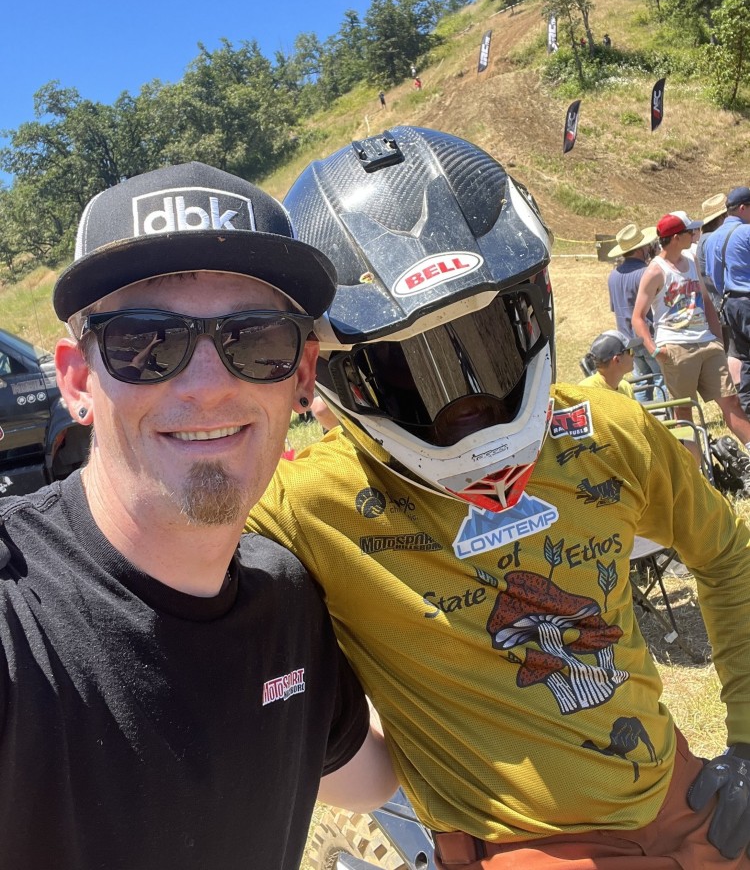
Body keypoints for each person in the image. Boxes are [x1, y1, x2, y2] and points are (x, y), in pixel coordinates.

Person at [248, 127, 750, 869]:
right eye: (409, 372)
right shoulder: (307, 503)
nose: (467, 407)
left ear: (535, 308)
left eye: (487, 347)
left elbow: (727, 555)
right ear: (331, 373)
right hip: (520, 843)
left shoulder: (606, 428)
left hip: (678, 790)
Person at [0, 162, 396, 869]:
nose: (209, 385)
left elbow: (368, 777)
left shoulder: (288, 603)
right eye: (144, 342)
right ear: (77, 381)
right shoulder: (16, 621)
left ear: (303, 376)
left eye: (257, 340)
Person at [632, 209, 750, 455]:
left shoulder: (691, 258)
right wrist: (655, 351)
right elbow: (638, 317)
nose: (695, 233)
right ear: (676, 237)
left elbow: (705, 300)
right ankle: (693, 467)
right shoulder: (655, 271)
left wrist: (717, 339)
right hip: (675, 347)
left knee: (731, 401)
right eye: (690, 231)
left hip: (707, 343)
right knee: (683, 412)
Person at [705, 186, 750, 416]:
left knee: (744, 358)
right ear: (742, 208)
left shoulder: (712, 239)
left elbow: (715, 277)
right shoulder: (747, 232)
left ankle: (747, 409)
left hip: (731, 303)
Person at [606, 223, 662, 400]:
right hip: (649, 334)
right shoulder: (646, 273)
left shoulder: (613, 275)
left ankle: (645, 414)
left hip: (627, 338)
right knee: (662, 379)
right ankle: (665, 415)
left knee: (642, 381)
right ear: (640, 249)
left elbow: (615, 308)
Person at [696, 193, 742, 386]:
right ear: (722, 217)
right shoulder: (712, 239)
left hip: (717, 305)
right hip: (723, 303)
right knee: (735, 353)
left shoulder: (704, 239)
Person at [578, 330, 637, 397]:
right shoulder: (586, 392)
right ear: (617, 360)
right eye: (630, 351)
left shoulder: (625, 387)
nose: (634, 354)